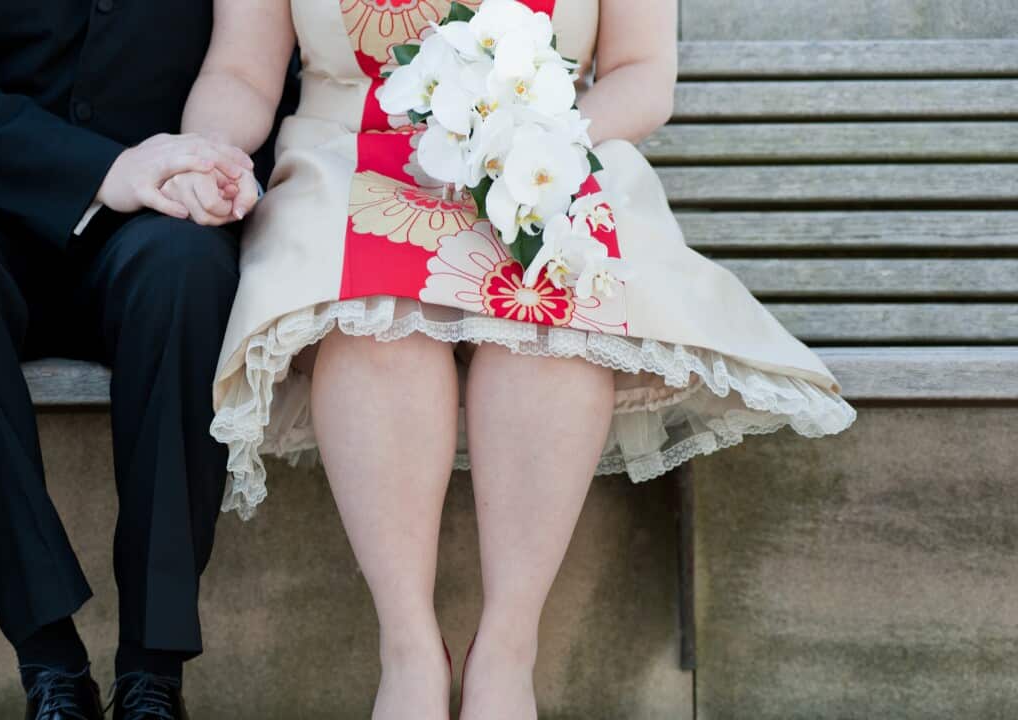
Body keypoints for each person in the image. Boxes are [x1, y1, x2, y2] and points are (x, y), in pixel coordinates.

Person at [176, 0, 858, 718]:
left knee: (549, 320)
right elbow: (242, 71)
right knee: (378, 325)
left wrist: (518, 148)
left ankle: (507, 656)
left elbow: (641, 74)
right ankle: (408, 654)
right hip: (347, 156)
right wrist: (208, 150)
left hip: (549, 156)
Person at [0, 1, 293, 718]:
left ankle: (154, 675)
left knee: (191, 276)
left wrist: (197, 162)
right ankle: (50, 665)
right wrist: (102, 169)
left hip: (157, 218)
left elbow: (246, 64)